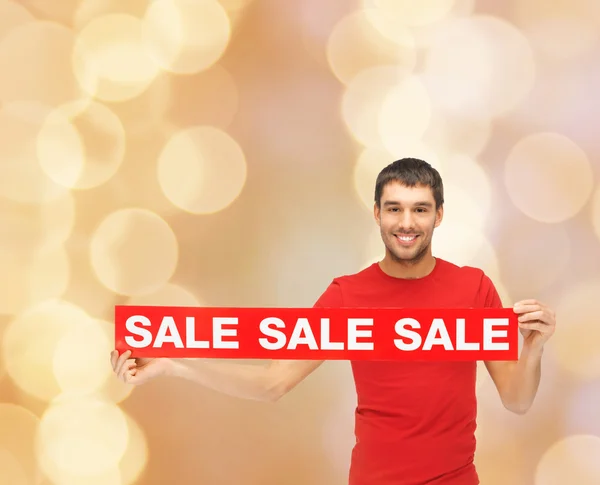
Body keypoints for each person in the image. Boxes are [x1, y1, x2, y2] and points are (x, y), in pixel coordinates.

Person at [111, 158, 557, 485]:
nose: (407, 222)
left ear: (438, 216)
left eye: (420, 209)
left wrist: (532, 348)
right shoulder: (348, 296)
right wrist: (175, 361)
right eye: (394, 208)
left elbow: (516, 400)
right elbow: (272, 383)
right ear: (378, 214)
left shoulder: (474, 289)